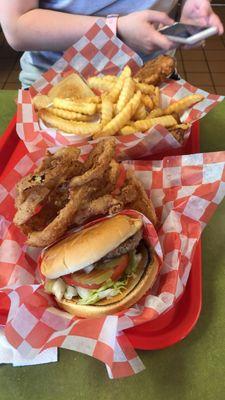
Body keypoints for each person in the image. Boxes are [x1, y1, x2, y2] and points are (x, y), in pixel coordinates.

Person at [0, 0, 223, 88]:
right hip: (58, 88)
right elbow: (17, 26)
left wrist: (189, 6)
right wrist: (116, 30)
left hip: (153, 81)